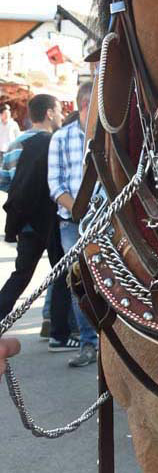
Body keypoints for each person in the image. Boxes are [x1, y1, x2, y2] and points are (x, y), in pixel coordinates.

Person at [0, 94, 75, 350]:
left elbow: (5, 181)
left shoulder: (15, 144)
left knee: (21, 274)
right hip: (51, 219)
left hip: (25, 221)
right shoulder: (55, 142)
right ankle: (58, 334)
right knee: (61, 274)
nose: (61, 115)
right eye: (59, 110)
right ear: (49, 113)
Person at [48, 80, 98, 368]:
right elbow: (56, 186)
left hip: (108, 221)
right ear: (85, 106)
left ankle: (114, 343)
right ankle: (88, 343)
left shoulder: (107, 135)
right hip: (72, 224)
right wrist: (81, 211)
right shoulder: (61, 139)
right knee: (81, 284)